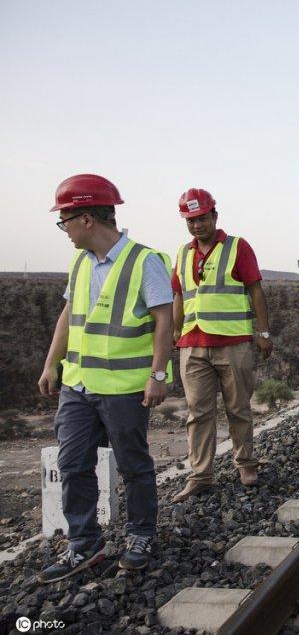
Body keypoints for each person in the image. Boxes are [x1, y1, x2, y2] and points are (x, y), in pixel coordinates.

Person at [36, 174, 173, 582]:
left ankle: (140, 536)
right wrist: (50, 364)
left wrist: (158, 375)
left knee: (134, 466)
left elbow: (164, 322)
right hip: (77, 385)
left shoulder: (144, 261)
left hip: (124, 388)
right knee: (73, 463)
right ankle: (84, 544)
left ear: (88, 219)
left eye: (66, 221)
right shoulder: (80, 261)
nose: (65, 230)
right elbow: (68, 315)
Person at [170, 188, 272, 503]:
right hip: (194, 345)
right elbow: (178, 294)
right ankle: (201, 475)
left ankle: (245, 464)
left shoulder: (237, 247)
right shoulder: (183, 253)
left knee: (238, 408)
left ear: (214, 215)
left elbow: (255, 290)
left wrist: (264, 333)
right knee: (198, 414)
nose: (197, 225)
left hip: (233, 343)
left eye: (201, 218)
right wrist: (176, 330)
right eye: (190, 220)